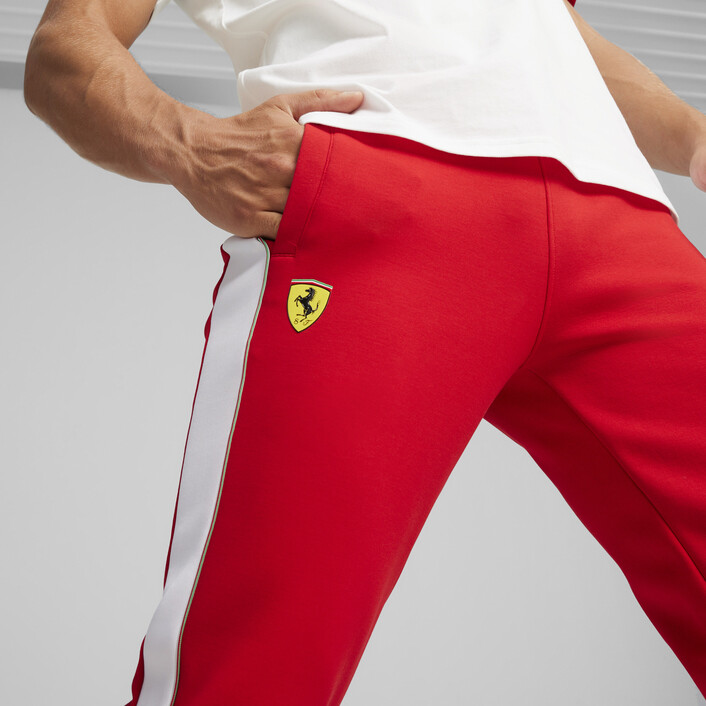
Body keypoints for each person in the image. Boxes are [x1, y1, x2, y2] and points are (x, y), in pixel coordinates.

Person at [24, 0, 706, 703]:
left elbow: (553, 32)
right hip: (385, 190)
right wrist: (190, 143)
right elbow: (67, 45)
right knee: (258, 665)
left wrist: (693, 135)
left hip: (624, 219)